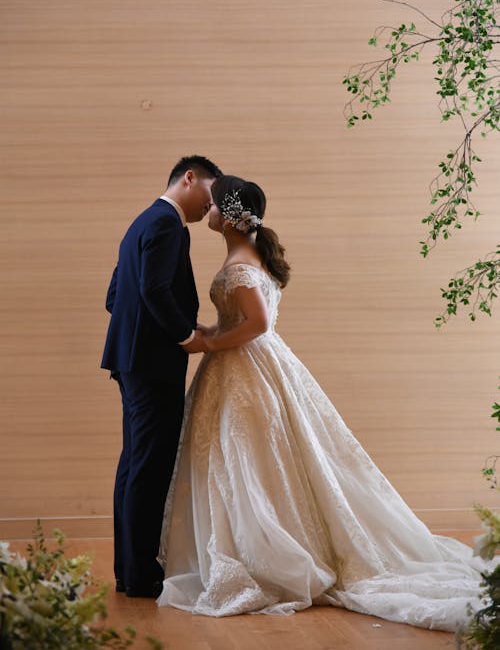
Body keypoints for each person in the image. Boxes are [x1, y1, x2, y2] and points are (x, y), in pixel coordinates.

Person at [157, 174, 498, 630]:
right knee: (252, 462)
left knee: (245, 460)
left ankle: (266, 556)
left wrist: (211, 344)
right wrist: (213, 333)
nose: (208, 210)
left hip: (246, 369)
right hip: (255, 366)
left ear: (230, 217)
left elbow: (256, 323)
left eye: (214, 205)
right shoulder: (250, 255)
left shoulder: (240, 263)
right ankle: (260, 544)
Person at [101, 155, 222, 598]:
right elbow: (152, 289)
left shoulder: (141, 222)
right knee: (148, 468)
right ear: (189, 177)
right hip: (152, 365)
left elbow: (115, 296)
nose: (211, 206)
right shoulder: (168, 225)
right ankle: (140, 576)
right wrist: (184, 335)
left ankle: (128, 571)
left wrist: (140, 334)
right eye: (210, 192)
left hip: (131, 360)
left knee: (134, 463)